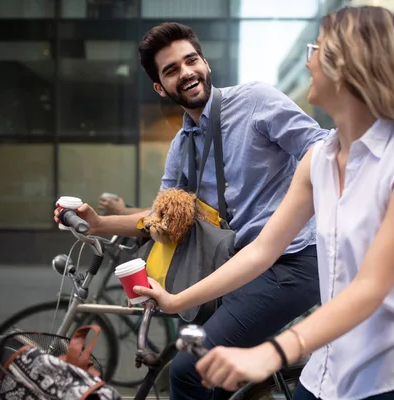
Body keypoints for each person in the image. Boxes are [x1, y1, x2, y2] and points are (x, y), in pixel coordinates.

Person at [135, 6, 394, 400]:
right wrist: (176, 301)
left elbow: (371, 287)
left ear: (351, 66)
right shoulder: (320, 160)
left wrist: (272, 352)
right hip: (333, 364)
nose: (308, 61)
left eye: (317, 49)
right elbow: (261, 251)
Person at [55, 22, 328, 400]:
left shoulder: (254, 101)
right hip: (244, 266)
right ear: (160, 87)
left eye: (191, 60)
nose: (185, 72)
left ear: (206, 63)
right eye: (171, 70)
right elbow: (161, 220)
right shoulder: (182, 146)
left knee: (189, 369)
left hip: (294, 261)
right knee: (210, 371)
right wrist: (99, 223)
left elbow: (320, 146)